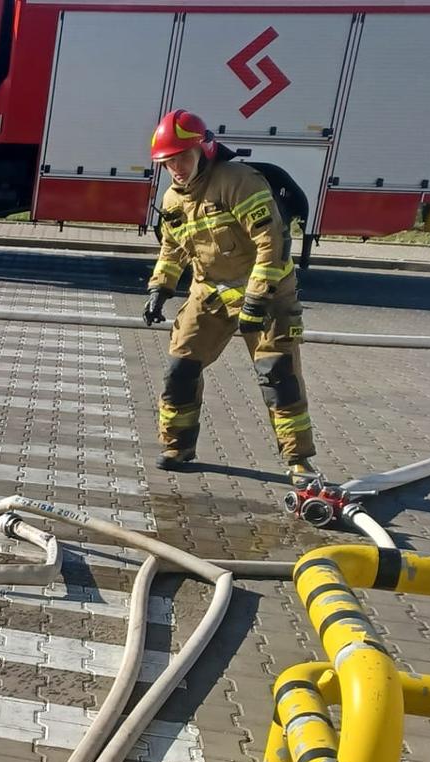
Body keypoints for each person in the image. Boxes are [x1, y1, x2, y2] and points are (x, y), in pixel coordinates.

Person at [141, 109, 318, 485]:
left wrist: (256, 299)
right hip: (209, 295)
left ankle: (299, 461)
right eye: (168, 163)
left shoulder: (238, 181)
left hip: (265, 293)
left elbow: (272, 243)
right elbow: (173, 249)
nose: (176, 169)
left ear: (204, 150)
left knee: (277, 376)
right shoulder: (174, 198)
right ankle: (178, 446)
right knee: (179, 371)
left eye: (182, 159)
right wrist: (160, 288)